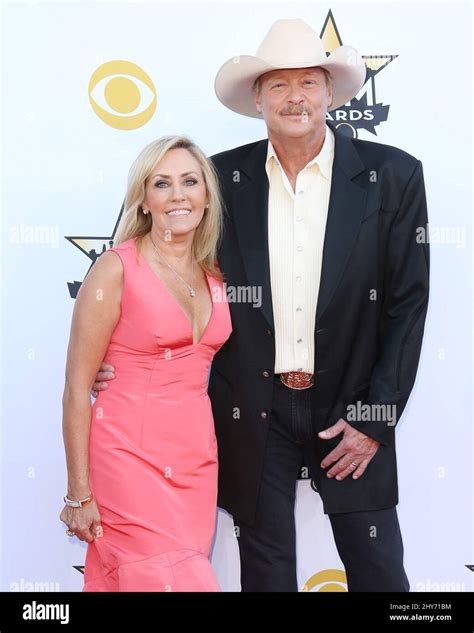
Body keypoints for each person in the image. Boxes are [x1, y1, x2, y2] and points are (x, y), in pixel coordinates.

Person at [94, 19, 429, 592]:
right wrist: (114, 352)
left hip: (354, 408)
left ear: (330, 93)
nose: (294, 97)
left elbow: (407, 306)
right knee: (265, 575)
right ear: (257, 97)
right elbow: (156, 257)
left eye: (308, 82)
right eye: (278, 84)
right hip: (253, 410)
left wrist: (375, 417)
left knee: (380, 576)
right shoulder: (223, 178)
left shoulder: (392, 177)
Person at [60, 136, 232, 592]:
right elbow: (78, 387)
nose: (178, 194)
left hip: (196, 460)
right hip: (127, 456)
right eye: (162, 184)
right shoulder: (116, 269)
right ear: (143, 201)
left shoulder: (214, 273)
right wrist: (79, 493)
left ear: (207, 195)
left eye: (190, 181)